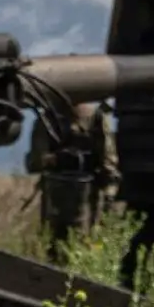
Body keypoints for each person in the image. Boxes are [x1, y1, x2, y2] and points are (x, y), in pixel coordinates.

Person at [24, 101, 119, 260]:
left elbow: (108, 162)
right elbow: (35, 161)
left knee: (82, 245)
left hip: (86, 192)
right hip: (56, 193)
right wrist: (57, 159)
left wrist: (109, 193)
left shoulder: (96, 118)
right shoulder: (48, 119)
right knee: (55, 248)